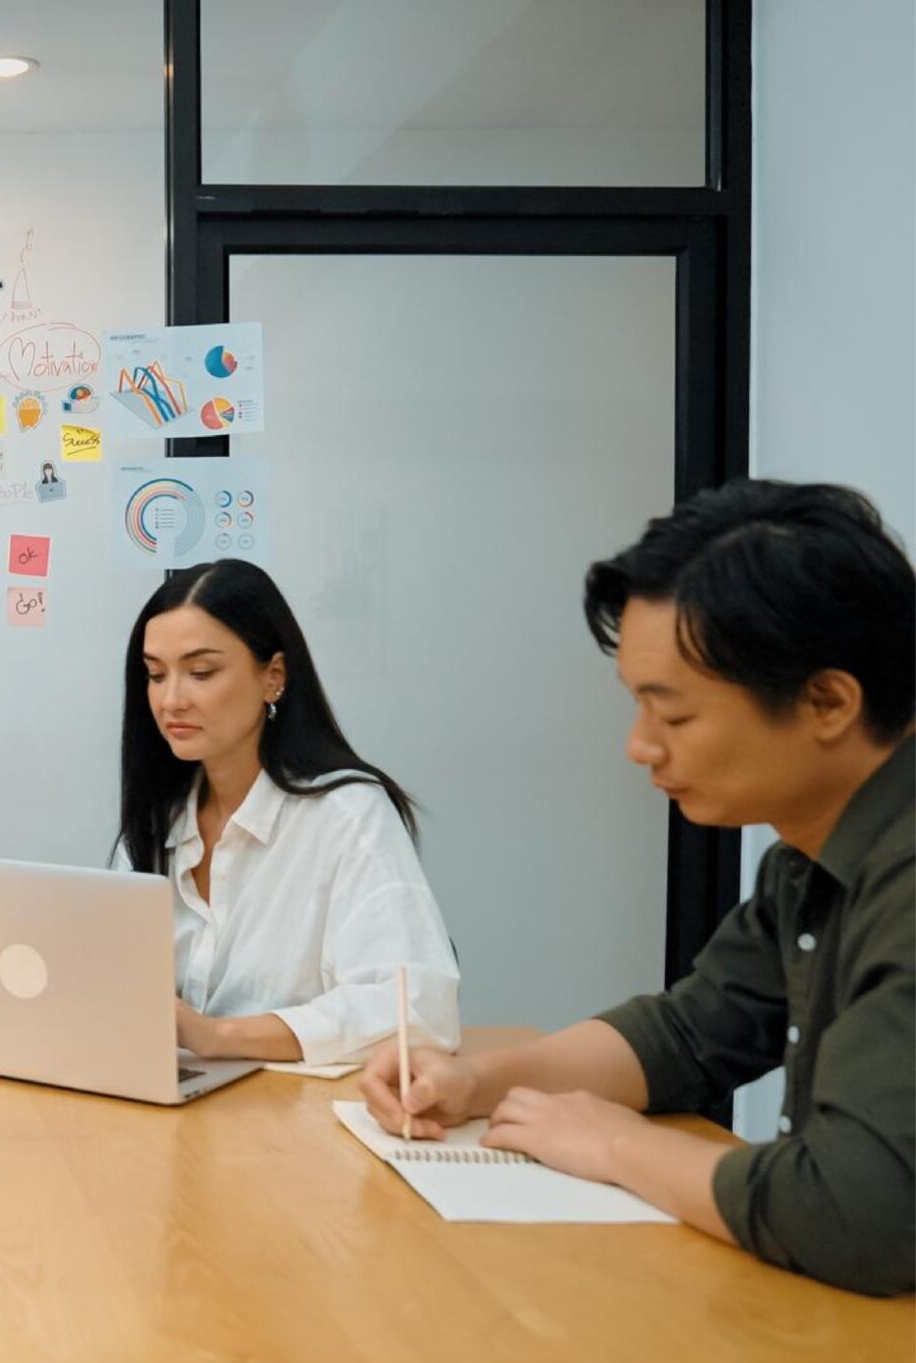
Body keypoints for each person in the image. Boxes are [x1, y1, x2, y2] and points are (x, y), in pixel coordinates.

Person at [362, 480, 911, 1295]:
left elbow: (852, 1212)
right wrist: (479, 1082)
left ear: (826, 700)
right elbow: (689, 1034)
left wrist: (617, 1145)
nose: (639, 746)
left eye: (674, 716)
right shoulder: (808, 860)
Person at [115, 559, 460, 1063]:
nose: (171, 700)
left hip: (299, 1105)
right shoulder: (156, 818)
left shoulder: (347, 815)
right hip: (178, 1097)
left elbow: (419, 1011)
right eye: (155, 674)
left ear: (273, 677)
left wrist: (215, 1036)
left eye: (201, 673)